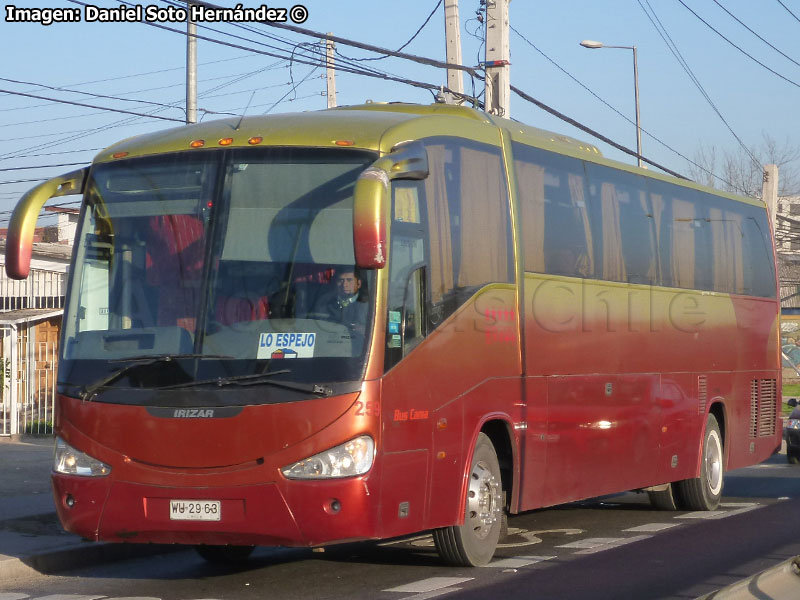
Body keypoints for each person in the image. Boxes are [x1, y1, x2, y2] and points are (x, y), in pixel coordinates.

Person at [315, 268, 368, 335]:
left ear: (359, 284)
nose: (344, 285)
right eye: (340, 280)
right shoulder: (325, 302)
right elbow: (318, 324)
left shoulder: (368, 304)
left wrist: (363, 329)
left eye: (349, 280)